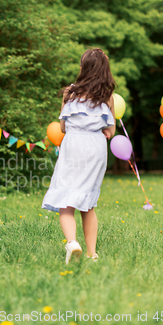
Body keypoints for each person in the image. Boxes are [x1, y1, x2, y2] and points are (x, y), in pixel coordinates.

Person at [42, 48, 116, 264]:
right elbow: (110, 131)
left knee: (66, 199)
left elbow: (63, 127)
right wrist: (104, 132)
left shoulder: (69, 93)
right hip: (96, 147)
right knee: (88, 201)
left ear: (83, 68)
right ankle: (92, 253)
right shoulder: (107, 96)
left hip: (73, 144)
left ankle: (73, 243)